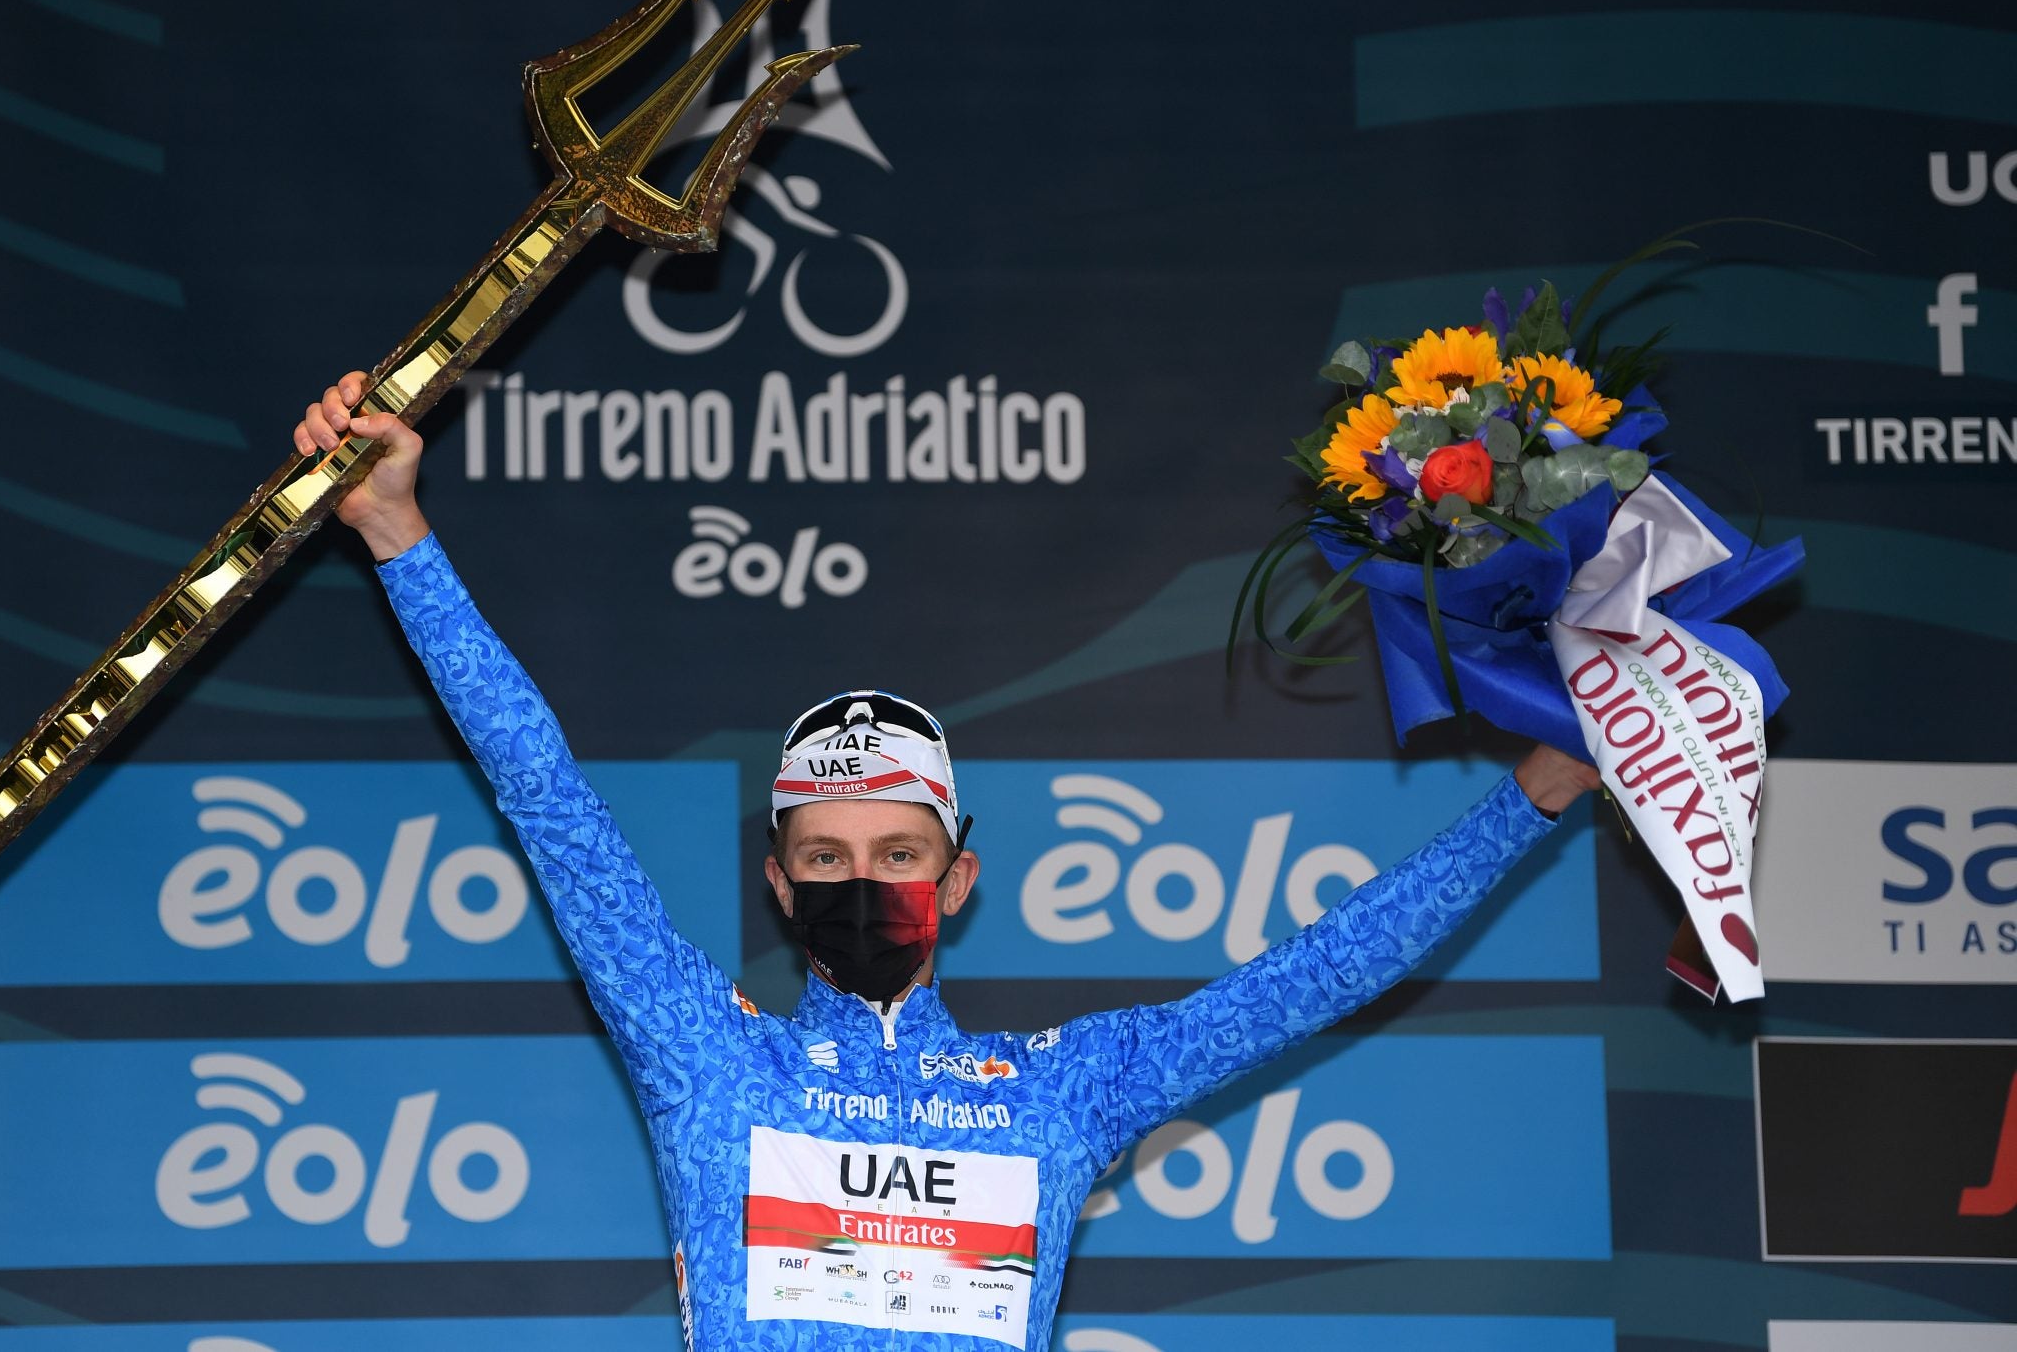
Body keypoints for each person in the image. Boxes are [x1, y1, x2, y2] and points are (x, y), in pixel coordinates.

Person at [296, 373, 1600, 1352]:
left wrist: (1534, 797)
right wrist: (401, 537)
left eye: (900, 853)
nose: (865, 882)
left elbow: (1314, 976)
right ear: (780, 883)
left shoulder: (1067, 1087)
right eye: (829, 856)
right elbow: (552, 802)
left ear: (958, 879)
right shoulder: (706, 1051)